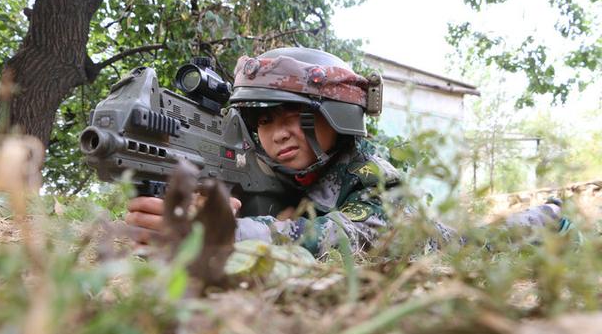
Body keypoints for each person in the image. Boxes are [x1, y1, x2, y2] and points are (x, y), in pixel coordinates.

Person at [125, 47, 565, 258]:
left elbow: (348, 237)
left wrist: (230, 232)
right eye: (263, 120)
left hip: (427, 237)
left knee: (484, 240)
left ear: (338, 117)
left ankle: (547, 213)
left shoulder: (375, 174)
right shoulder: (258, 167)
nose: (277, 133)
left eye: (293, 115)